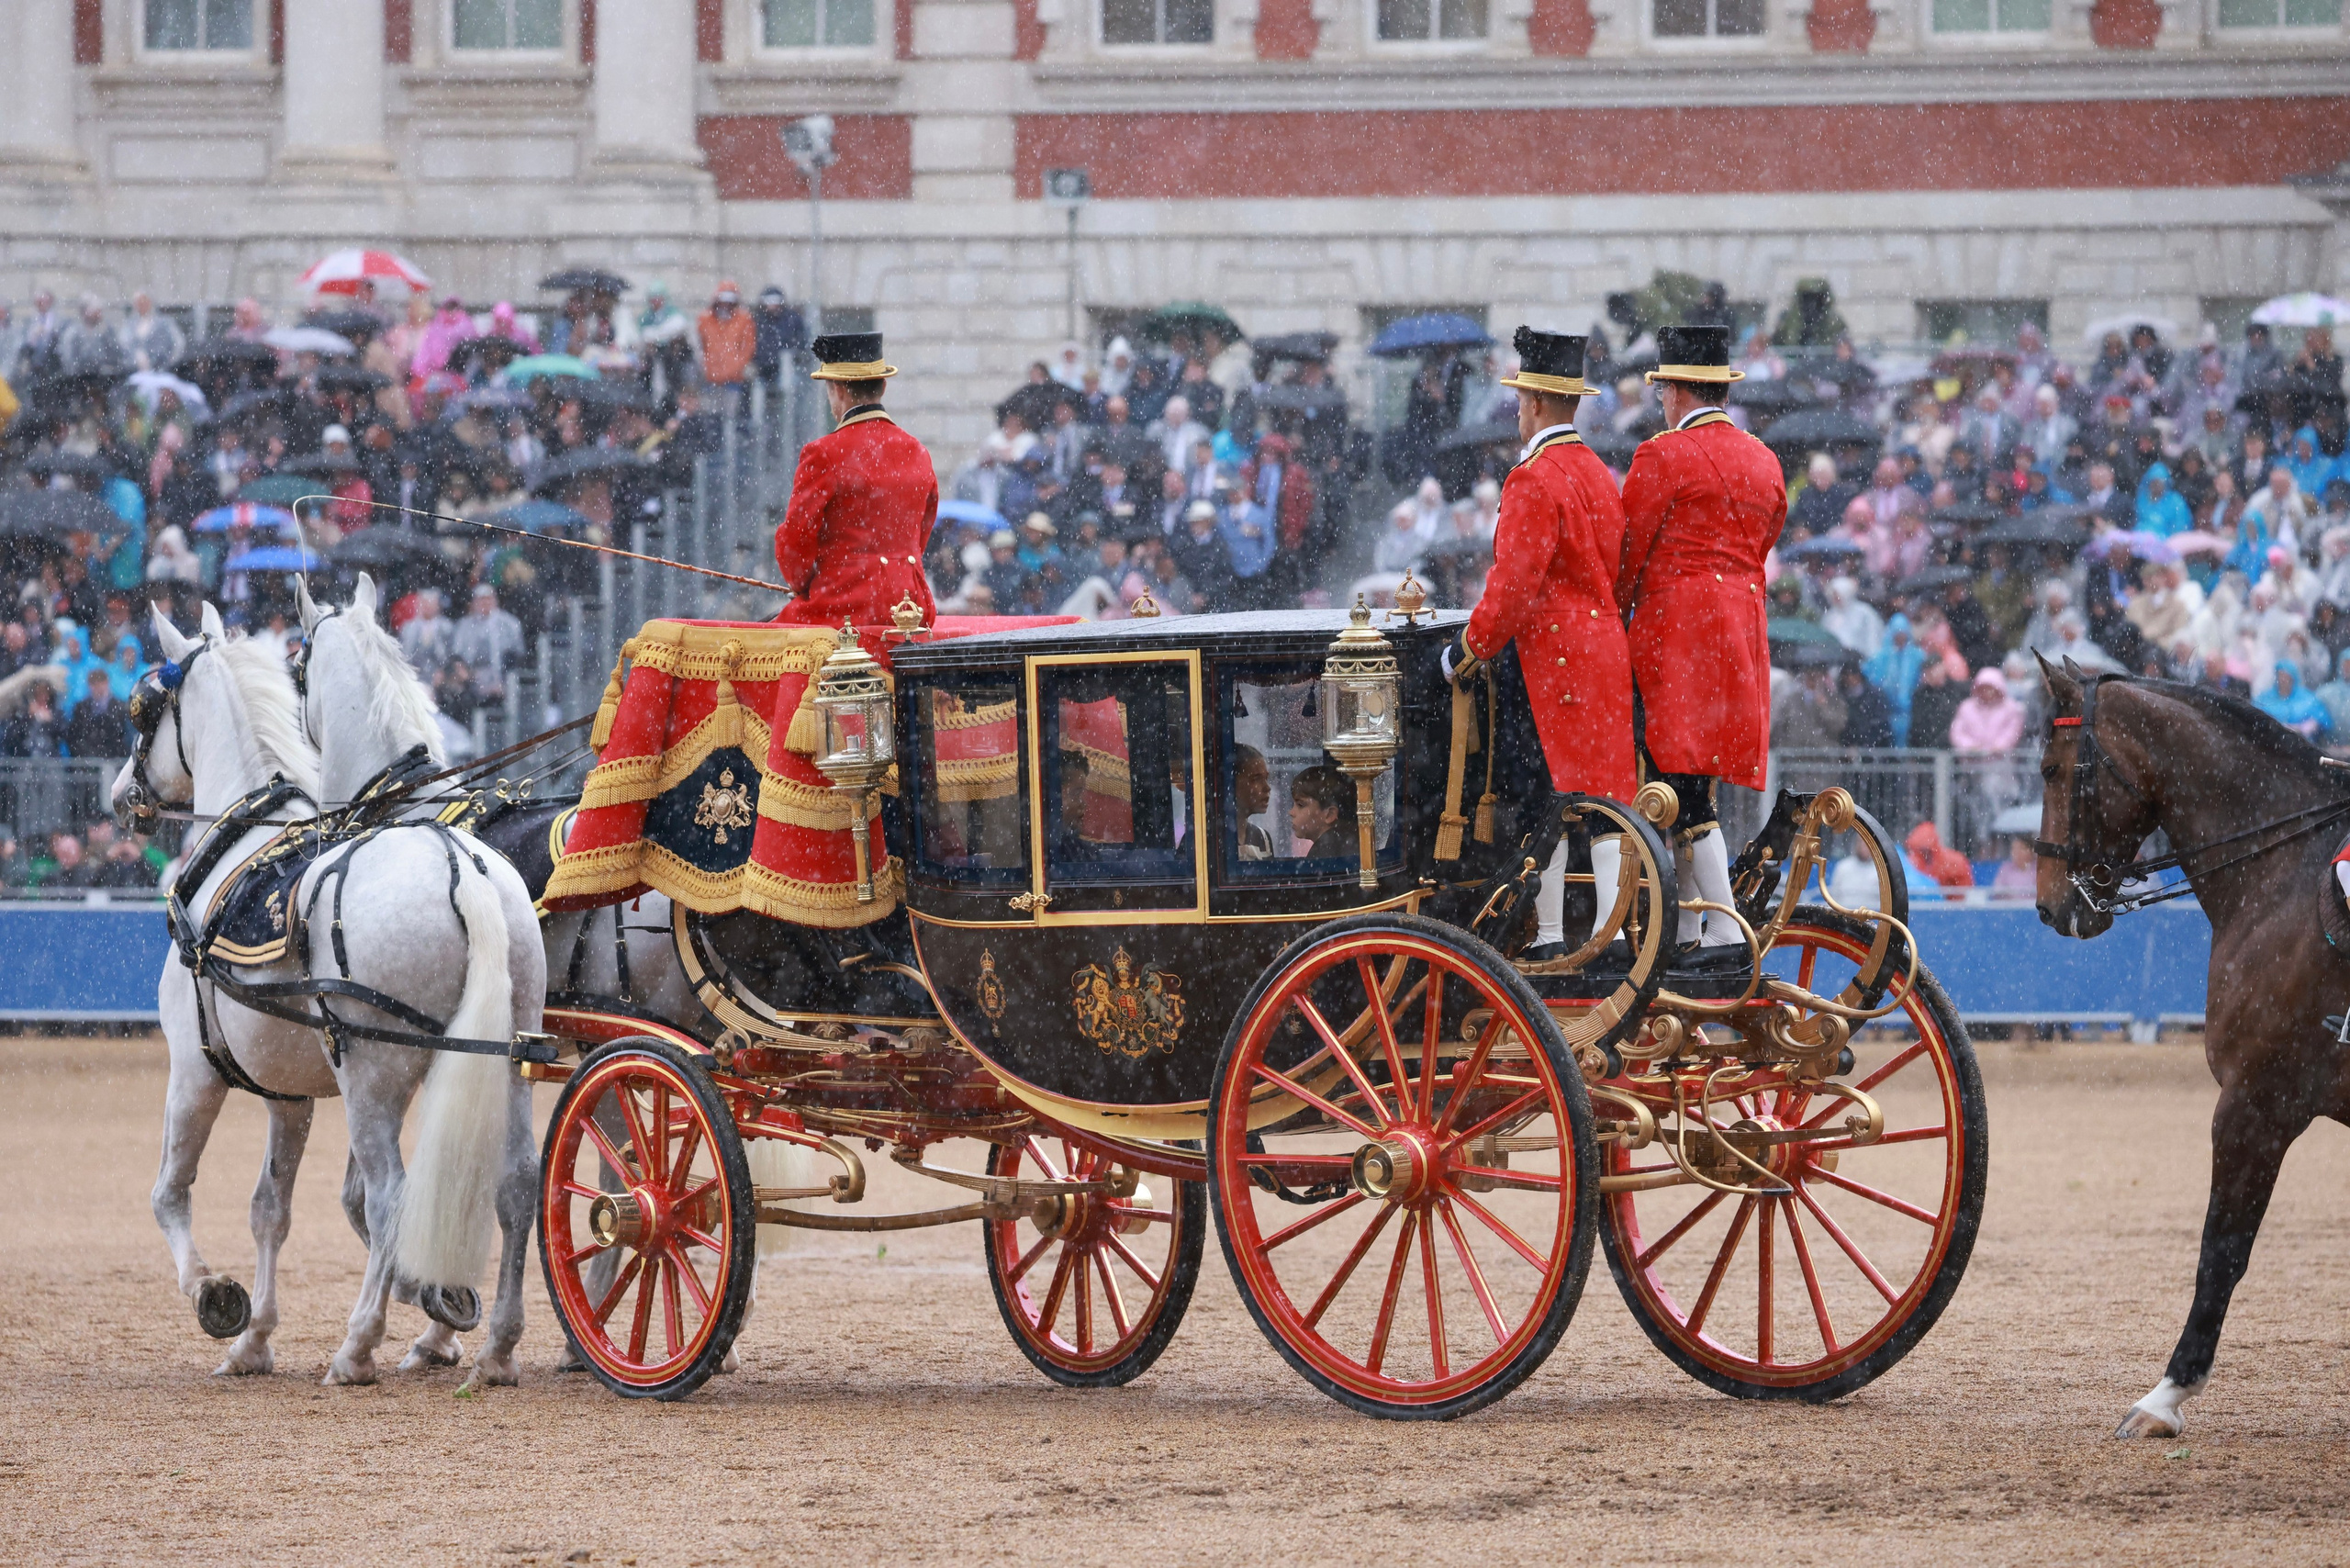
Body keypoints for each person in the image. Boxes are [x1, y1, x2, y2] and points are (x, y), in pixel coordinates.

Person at [1444, 329, 1637, 963]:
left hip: (1549, 659)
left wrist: (1467, 649)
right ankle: (1612, 935)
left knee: (1540, 801)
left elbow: (1513, 586)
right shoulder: (1600, 473)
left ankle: (1551, 935)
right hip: (1603, 649)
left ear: (1532, 403)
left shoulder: (1532, 478)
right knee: (1605, 800)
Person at [1617, 324, 1785, 965]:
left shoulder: (1662, 455)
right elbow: (1762, 543)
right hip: (1739, 635)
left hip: (1677, 635)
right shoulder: (1765, 459)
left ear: (1676, 390)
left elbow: (1628, 555)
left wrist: (1613, 614)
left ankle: (1720, 928)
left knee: (1674, 784)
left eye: (1662, 389)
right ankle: (1689, 929)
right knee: (1693, 780)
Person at [775, 332, 938, 628]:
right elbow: (922, 532)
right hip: (910, 608)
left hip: (844, 606)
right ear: (883, 386)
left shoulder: (823, 453)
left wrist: (803, 585)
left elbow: (796, 540)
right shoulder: (918, 451)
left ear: (837, 389)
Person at [1288, 766, 1353, 861]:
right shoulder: (1344, 845)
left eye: (1300, 805)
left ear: (1329, 815)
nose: (1291, 812)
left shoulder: (1324, 854)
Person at [2257, 659, 2329, 739]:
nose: (2283, 680)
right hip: (2270, 741)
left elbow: (2322, 719)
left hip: (2301, 742)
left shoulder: (2307, 698)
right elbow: (2255, 718)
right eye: (2281, 675)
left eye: (2287, 676)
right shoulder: (2265, 698)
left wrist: (2306, 727)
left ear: (2293, 678)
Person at [1233, 743, 1275, 859]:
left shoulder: (1262, 838)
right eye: (1256, 779)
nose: (1267, 788)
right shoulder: (1208, 840)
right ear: (1232, 783)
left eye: (1266, 778)